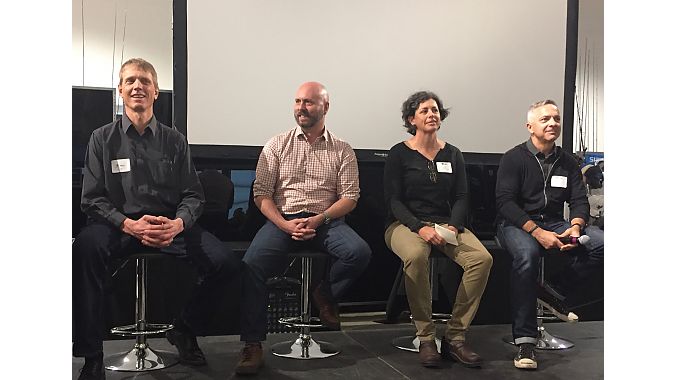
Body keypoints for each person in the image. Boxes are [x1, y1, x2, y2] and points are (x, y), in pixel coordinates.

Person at [72, 58, 239, 380]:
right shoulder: (101, 139)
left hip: (168, 226)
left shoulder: (174, 140)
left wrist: (178, 223)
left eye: (145, 81)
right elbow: (91, 198)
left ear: (156, 91)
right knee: (84, 251)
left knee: (227, 264)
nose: (138, 86)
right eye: (131, 81)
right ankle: (92, 355)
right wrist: (126, 223)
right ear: (120, 90)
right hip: (116, 225)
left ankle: (185, 329)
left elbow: (193, 194)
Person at [235, 82, 372, 375]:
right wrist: (285, 224)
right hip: (283, 219)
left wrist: (318, 219)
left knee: (358, 253)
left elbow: (350, 197)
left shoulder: (342, 149)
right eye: (297, 101)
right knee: (251, 265)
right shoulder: (276, 144)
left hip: (326, 220)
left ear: (325, 107)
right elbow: (261, 193)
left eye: (309, 102)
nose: (301, 107)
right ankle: (253, 344)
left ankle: (324, 292)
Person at [383, 91, 493, 368]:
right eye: (424, 111)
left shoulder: (452, 153)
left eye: (435, 110)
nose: (432, 114)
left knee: (482, 259)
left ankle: (456, 337)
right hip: (405, 225)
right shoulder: (399, 153)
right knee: (416, 257)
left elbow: (461, 198)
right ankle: (426, 337)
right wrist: (419, 228)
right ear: (412, 119)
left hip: (446, 223)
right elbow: (394, 201)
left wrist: (453, 226)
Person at [495, 99, 604, 370]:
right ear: (529, 126)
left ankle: (553, 291)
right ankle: (525, 342)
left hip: (556, 222)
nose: (553, 123)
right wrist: (537, 232)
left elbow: (579, 200)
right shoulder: (514, 158)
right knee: (527, 254)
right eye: (545, 119)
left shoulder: (567, 161)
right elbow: (505, 203)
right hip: (516, 224)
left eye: (556, 118)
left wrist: (576, 226)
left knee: (602, 243)